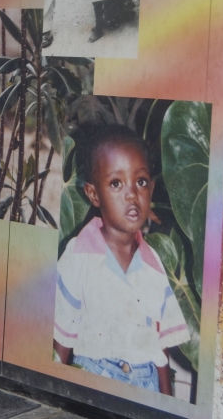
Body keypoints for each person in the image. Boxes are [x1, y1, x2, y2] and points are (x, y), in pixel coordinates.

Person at [52, 125, 189, 396]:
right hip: (93, 380)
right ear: (93, 194)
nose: (132, 195)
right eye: (116, 183)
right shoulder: (78, 255)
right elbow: (62, 340)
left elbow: (160, 349)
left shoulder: (154, 266)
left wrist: (165, 401)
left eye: (141, 182)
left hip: (145, 383)